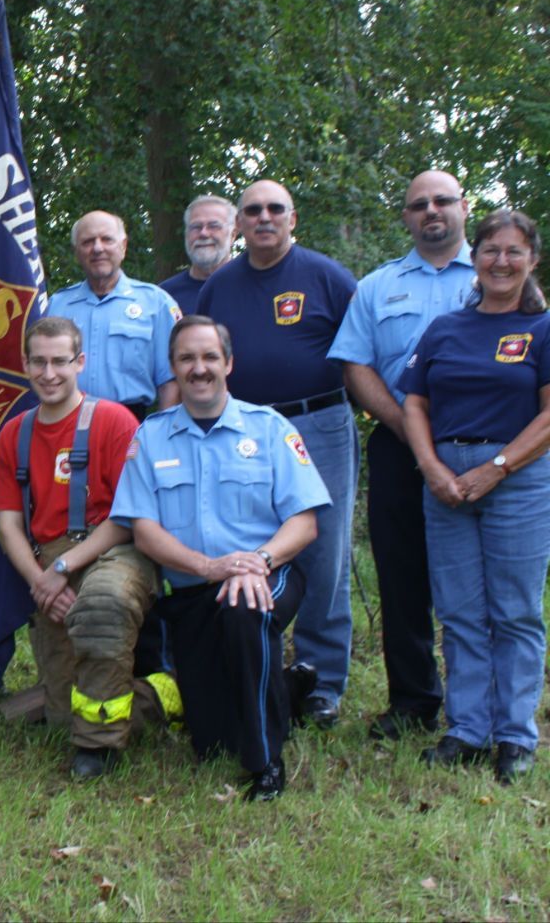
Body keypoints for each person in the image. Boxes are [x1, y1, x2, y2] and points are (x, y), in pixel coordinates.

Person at [112, 316, 331, 801]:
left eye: (210, 356)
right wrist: (210, 568)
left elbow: (305, 522)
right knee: (211, 741)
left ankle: (266, 763)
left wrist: (257, 561)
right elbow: (144, 531)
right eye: (187, 358)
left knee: (243, 610)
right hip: (193, 587)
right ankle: (289, 691)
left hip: (267, 575)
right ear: (173, 367)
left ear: (228, 363)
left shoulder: (269, 428)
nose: (199, 368)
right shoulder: (151, 437)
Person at [195, 180, 358, 728]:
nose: (264, 218)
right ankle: (259, 661)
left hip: (321, 422)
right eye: (253, 211)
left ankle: (320, 678)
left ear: (292, 218)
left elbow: (362, 351)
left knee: (324, 547)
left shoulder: (326, 277)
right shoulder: (220, 285)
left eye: (275, 209)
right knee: (250, 537)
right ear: (238, 224)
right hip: (247, 429)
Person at [0, 316, 179, 778]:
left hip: (114, 548)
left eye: (60, 361)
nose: (49, 373)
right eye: (39, 362)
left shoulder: (115, 421)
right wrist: (42, 582)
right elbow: (8, 524)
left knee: (101, 605)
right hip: (50, 558)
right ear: (26, 364)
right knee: (62, 716)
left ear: (80, 362)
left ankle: (97, 749)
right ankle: (169, 692)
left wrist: (65, 568)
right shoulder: (14, 433)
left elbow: (128, 516)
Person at [400, 209, 550, 786]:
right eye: (491, 251)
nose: (501, 262)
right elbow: (415, 402)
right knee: (460, 612)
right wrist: (431, 466)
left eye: (514, 252)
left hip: (518, 478)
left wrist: (498, 466)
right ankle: (467, 729)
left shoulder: (542, 329)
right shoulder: (446, 329)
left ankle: (514, 735)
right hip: (446, 482)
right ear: (475, 258)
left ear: (531, 259)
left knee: (514, 612)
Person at [328, 170, 473, 741]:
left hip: (480, 448)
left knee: (472, 579)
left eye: (442, 201)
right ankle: (413, 701)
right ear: (407, 217)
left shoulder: (496, 277)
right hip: (396, 446)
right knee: (401, 577)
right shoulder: (377, 286)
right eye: (419, 205)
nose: (431, 211)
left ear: (463, 207)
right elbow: (355, 365)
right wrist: (407, 429)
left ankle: (475, 706)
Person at [47, 210, 180, 418]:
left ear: (123, 246)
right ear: (76, 252)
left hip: (132, 422)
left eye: (107, 239)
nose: (97, 248)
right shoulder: (57, 305)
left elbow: (170, 380)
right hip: (66, 421)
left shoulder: (156, 303)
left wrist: (162, 435)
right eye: (88, 242)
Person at [159, 196, 239, 313]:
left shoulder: (252, 286)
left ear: (232, 235)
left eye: (213, 226)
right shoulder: (164, 296)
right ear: (186, 234)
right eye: (196, 227)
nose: (204, 233)